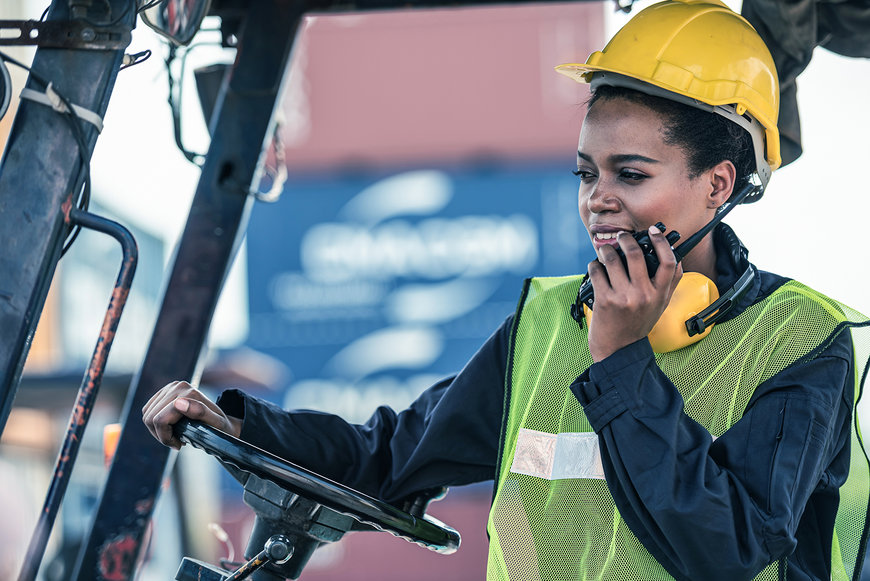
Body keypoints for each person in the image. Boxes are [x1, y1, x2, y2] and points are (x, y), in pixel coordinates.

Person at [142, 1, 870, 579]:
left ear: (717, 183)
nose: (598, 200)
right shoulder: (548, 323)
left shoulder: (800, 342)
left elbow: (727, 551)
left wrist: (619, 362)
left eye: (631, 174)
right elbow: (393, 457)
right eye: (587, 173)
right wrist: (244, 428)